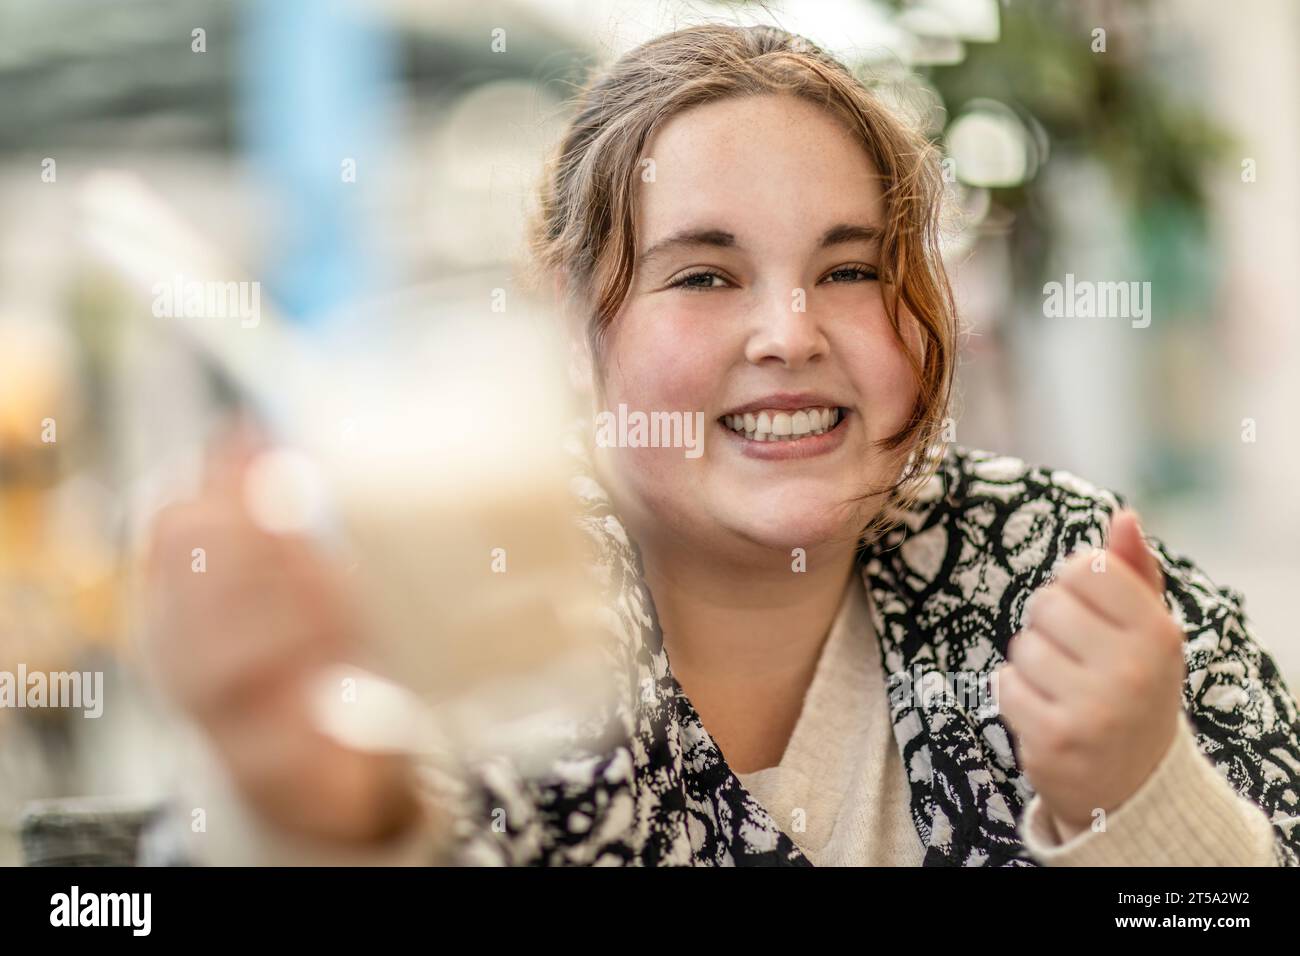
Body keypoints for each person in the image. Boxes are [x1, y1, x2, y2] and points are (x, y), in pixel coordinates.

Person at [144, 23, 1300, 866]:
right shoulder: (461, 621)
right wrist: (309, 823)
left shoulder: (1085, 582)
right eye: (703, 274)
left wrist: (1138, 804)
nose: (790, 332)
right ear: (567, 313)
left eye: (850, 270)